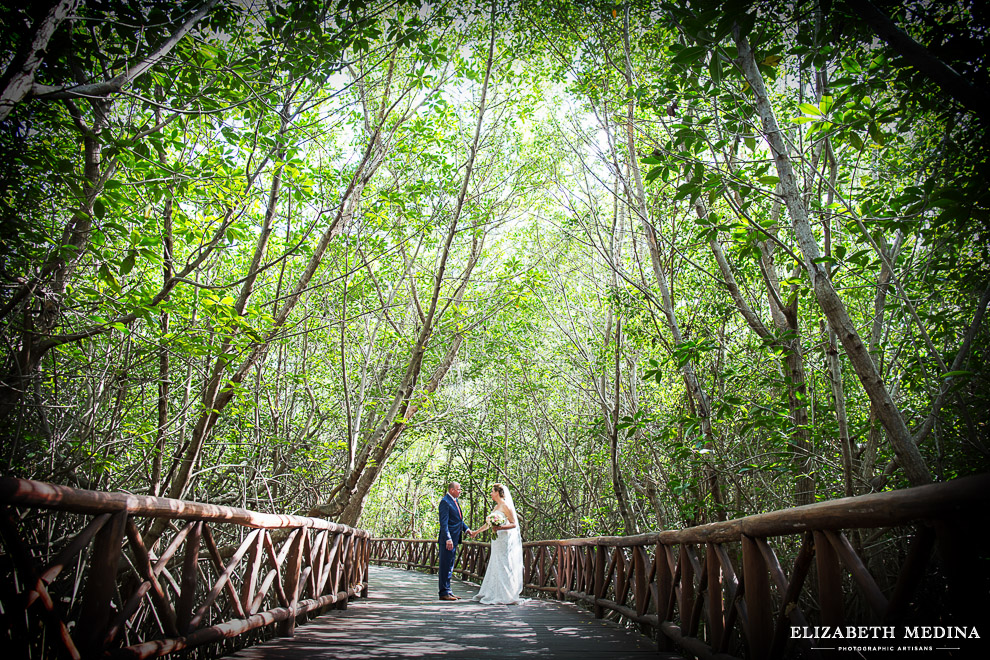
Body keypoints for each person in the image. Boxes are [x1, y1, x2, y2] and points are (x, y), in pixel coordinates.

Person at [469, 482, 526, 604]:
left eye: (492, 491)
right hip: (497, 540)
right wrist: (476, 532)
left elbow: (514, 524)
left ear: (498, 493)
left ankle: (506, 593)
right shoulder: (496, 507)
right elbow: (488, 524)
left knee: (504, 563)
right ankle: (494, 591)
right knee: (495, 562)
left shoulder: (506, 506)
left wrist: (500, 528)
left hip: (504, 539)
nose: (490, 494)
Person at [438, 481, 472, 601]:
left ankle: (448, 591)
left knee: (450, 565)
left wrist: (466, 529)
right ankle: (443, 592)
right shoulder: (445, 502)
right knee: (445, 565)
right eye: (458, 489)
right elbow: (444, 523)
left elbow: (458, 520)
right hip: (448, 540)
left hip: (455, 538)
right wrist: (448, 538)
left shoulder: (454, 501)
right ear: (452, 490)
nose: (460, 491)